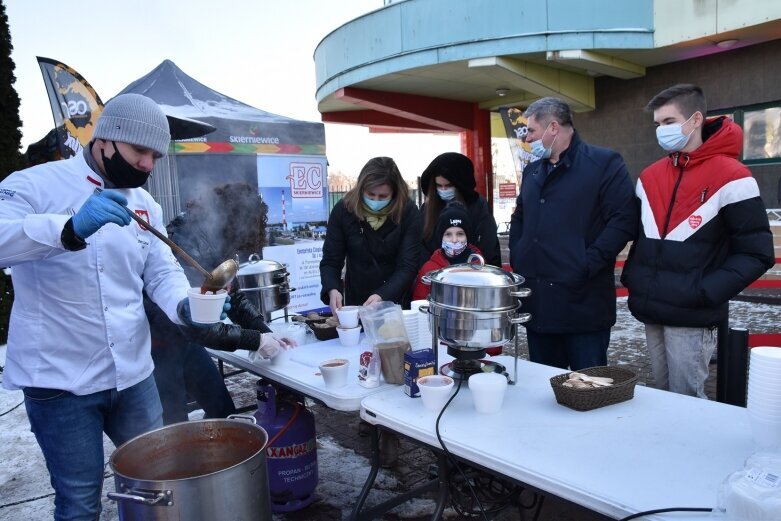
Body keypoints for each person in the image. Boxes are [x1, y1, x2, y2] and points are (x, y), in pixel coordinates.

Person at [0, 94, 217, 520]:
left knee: (156, 485)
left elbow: (160, 271)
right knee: (80, 501)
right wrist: (67, 227)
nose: (148, 166)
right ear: (105, 140)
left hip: (133, 376)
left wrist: (183, 307)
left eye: (155, 156)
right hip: (59, 380)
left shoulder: (144, 203)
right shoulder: (34, 185)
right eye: (141, 152)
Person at [621, 84, 775, 398]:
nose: (661, 131)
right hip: (652, 308)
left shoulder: (734, 177)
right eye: (657, 125)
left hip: (692, 315)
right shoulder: (649, 176)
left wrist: (705, 292)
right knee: (661, 394)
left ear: (694, 120)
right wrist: (635, 280)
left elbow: (757, 252)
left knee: (688, 399)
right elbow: (635, 235)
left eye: (668, 122)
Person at [146, 183, 296, 425]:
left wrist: (267, 332)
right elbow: (200, 327)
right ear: (232, 221)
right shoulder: (184, 242)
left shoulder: (218, 241)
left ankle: (213, 460)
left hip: (187, 345)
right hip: (159, 345)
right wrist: (256, 340)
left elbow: (234, 297)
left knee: (222, 410)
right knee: (175, 425)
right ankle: (192, 462)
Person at [509, 97, 638, 371]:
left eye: (531, 131)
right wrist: (520, 254)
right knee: (544, 391)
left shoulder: (604, 163)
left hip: (583, 307)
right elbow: (520, 217)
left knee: (588, 390)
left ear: (553, 127)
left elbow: (624, 220)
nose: (527, 138)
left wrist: (587, 262)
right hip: (539, 306)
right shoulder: (533, 171)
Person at [320, 156, 422, 312]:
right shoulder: (344, 210)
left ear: (394, 193)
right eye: (370, 194)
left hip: (396, 300)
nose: (375, 200)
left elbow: (408, 265)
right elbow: (331, 260)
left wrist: (383, 295)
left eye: (383, 196)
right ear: (361, 189)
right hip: (357, 298)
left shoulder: (408, 212)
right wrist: (332, 288)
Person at [419, 152, 501, 268]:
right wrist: (429, 269)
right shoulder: (427, 208)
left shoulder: (478, 205)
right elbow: (421, 245)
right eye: (439, 186)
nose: (444, 190)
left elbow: (489, 245)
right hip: (434, 275)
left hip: (472, 273)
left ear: (460, 185)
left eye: (448, 185)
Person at [412, 201, 483, 301]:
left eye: (460, 234)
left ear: (468, 236)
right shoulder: (429, 269)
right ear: (441, 237)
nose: (454, 240)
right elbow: (419, 304)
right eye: (448, 234)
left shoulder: (480, 268)